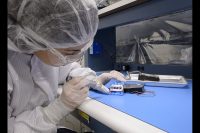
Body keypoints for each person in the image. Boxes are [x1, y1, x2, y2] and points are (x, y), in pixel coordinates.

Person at [8, 0, 125, 133]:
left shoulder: (43, 52)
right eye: (71, 52)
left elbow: (70, 70)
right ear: (38, 39)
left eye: (82, 49)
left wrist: (93, 79)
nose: (75, 58)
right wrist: (58, 109)